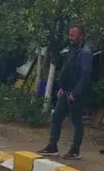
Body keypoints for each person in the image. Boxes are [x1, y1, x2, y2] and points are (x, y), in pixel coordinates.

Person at [39, 26, 93, 159]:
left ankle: (75, 150)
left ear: (81, 36)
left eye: (73, 36)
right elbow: (67, 70)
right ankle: (52, 146)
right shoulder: (72, 50)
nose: (70, 38)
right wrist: (62, 88)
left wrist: (75, 93)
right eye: (69, 35)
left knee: (76, 121)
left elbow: (85, 75)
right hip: (66, 91)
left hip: (76, 93)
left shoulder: (85, 53)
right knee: (56, 117)